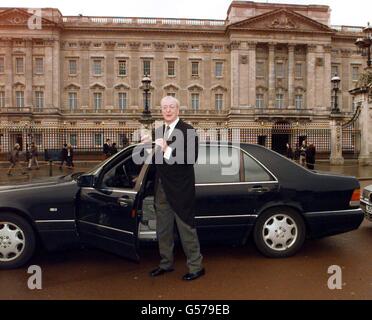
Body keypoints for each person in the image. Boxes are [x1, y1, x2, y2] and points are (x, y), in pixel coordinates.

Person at [149, 95, 204, 281]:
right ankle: (166, 263)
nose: (168, 110)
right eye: (164, 107)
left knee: (186, 229)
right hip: (162, 189)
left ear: (178, 110)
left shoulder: (188, 131)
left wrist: (166, 149)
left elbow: (191, 158)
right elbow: (157, 163)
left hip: (181, 190)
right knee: (163, 230)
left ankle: (196, 266)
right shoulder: (157, 131)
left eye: (171, 107)